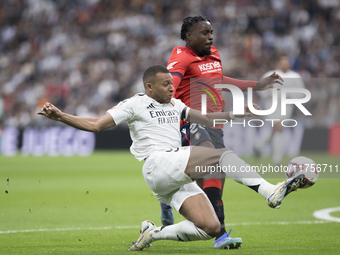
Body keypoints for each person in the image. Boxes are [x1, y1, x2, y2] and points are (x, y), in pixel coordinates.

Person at [38, 65, 304, 251]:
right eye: (166, 85)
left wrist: (238, 113)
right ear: (149, 86)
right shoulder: (134, 103)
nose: (171, 89)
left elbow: (208, 119)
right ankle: (270, 191)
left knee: (209, 228)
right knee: (219, 156)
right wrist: (61, 116)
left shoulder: (176, 105)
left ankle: (153, 233)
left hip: (174, 172)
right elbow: (96, 125)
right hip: (157, 164)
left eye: (172, 84)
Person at [163, 15, 284, 249]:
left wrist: (255, 85)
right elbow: (170, 86)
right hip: (192, 122)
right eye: (204, 32)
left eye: (211, 32)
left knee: (214, 178)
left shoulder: (214, 54)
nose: (210, 36)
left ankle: (218, 234)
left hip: (215, 124)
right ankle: (267, 190)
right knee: (215, 163)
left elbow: (219, 80)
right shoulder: (181, 56)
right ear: (189, 36)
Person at [254, 55, 305, 165]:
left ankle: (259, 146)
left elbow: (302, 92)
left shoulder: (295, 76)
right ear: (278, 63)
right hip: (271, 106)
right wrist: (267, 95)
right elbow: (260, 88)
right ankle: (276, 159)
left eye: (286, 62)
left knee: (277, 129)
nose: (285, 64)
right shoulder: (270, 75)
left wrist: (292, 97)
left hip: (286, 107)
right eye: (283, 62)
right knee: (278, 128)